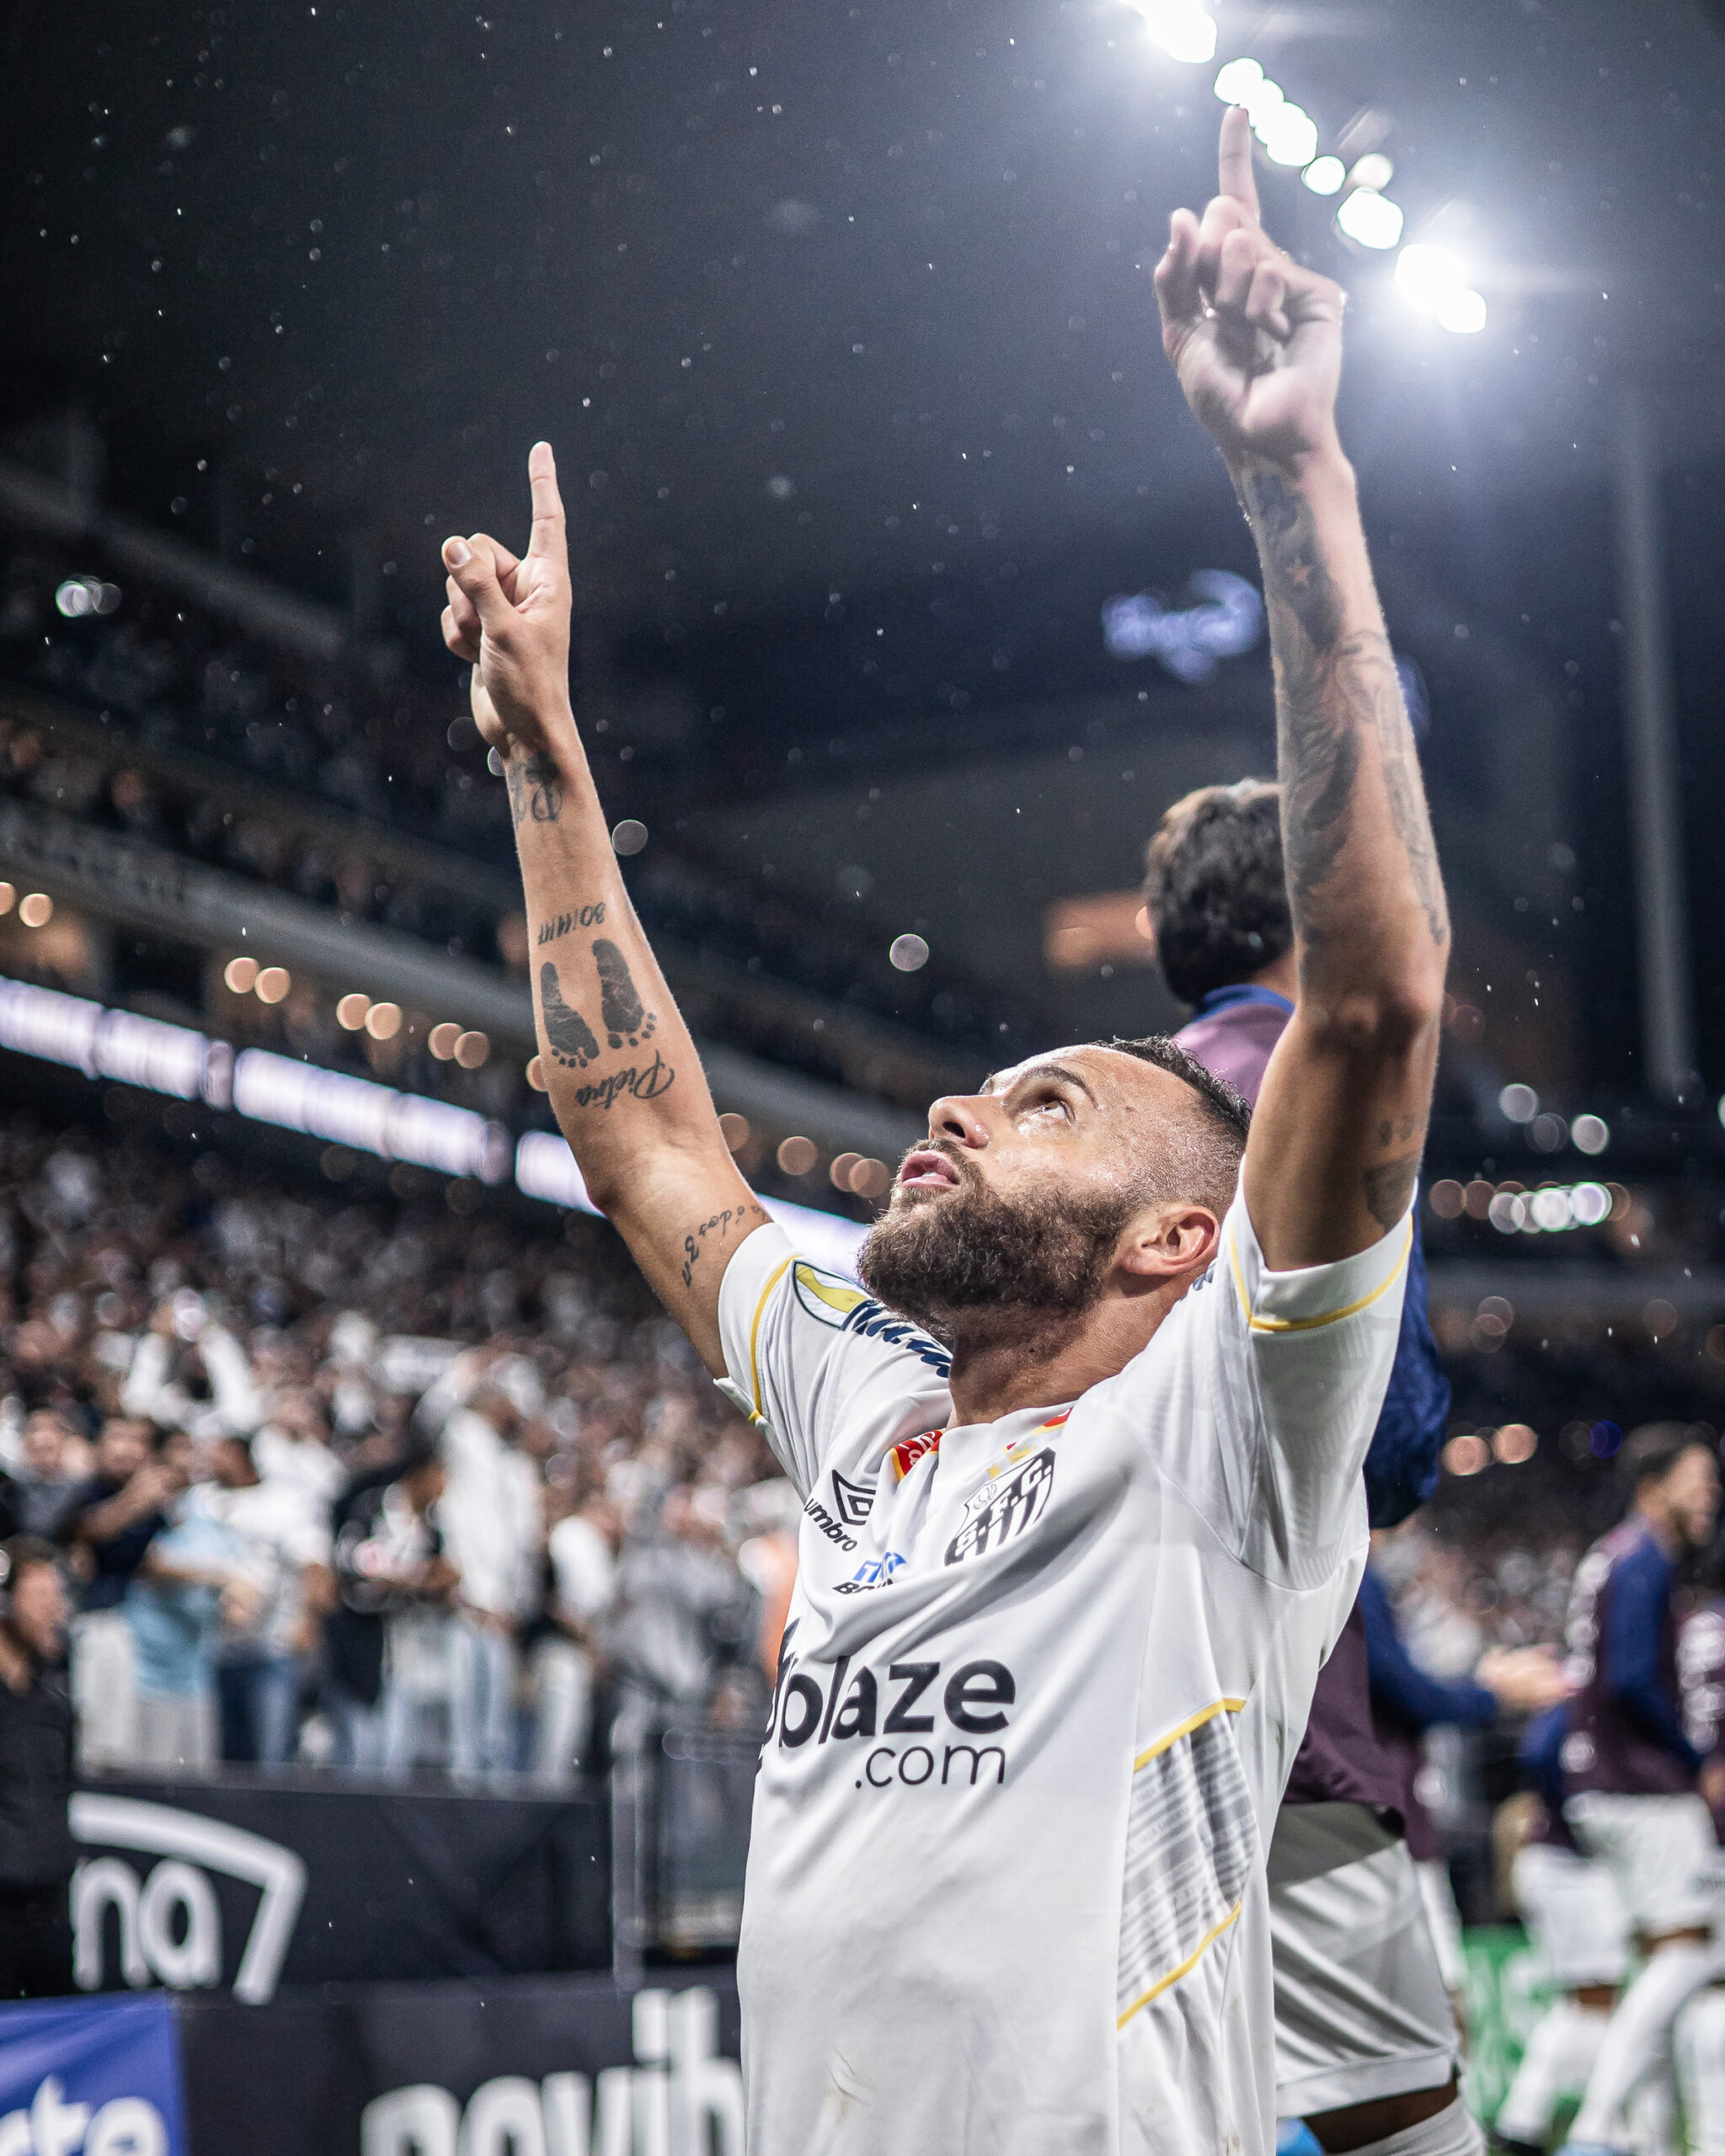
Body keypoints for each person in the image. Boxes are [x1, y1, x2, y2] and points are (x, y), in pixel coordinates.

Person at [435, 104, 1452, 2156]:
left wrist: (1292, 481)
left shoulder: (1225, 1437)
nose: (953, 1105)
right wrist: (546, 756)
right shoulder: (872, 1415)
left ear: (1178, 1241)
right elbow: (643, 1135)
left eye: (1044, 1101)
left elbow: (1371, 997)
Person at [1144, 778, 1474, 2152]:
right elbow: (1390, 1443)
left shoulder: (1112, 1098)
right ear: (1314, 911)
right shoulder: (1324, 1080)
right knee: (1403, 2126)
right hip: (1284, 1708)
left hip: (1099, 1699)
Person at [1557, 1425, 1724, 2156]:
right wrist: (1692, 1755)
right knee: (1692, 1952)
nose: (1710, 1494)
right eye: (1698, 1479)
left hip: (1598, 1778)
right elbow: (1631, 1678)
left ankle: (1644, 2136)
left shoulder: (1611, 1553)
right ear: (1654, 1487)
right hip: (1640, 1784)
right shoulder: (1646, 1558)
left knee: (1658, 1961)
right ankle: (1598, 2128)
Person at [1493, 1709, 1632, 2156]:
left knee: (1588, 2003)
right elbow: (1538, 1753)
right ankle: (1588, 2128)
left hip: (1561, 1865)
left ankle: (1529, 2122)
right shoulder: (1584, 1705)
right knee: (1594, 2000)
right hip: (1567, 1866)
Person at [197, 1433, 333, 1766]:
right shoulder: (202, 1500)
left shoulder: (283, 1502)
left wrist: (308, 1621)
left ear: (238, 1454)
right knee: (225, 1760)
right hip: (216, 1648)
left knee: (271, 1757)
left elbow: (314, 1564)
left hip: (271, 1647)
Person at [323, 1438, 457, 1773]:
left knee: (398, 1749)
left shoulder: (431, 1527)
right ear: (421, 1474)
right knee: (359, 1747)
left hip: (407, 1647)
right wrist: (416, 1577)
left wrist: (437, 1583)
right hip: (362, 1642)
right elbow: (354, 1567)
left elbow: (436, 1582)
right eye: (440, 1475)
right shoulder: (371, 1509)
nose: (444, 1487)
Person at [60, 1416, 173, 1770]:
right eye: (118, 1438)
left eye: (137, 1441)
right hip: (88, 1625)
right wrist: (138, 1499)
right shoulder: (82, 1490)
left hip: (143, 1635)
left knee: (127, 1747)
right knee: (90, 1739)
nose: (127, 1449)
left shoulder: (158, 1507)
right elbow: (88, 1530)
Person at [0, 1538, 76, 1999]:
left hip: (48, 1910)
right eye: (42, 1597)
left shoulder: (54, 1706)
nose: (57, 1611)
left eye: (59, 1597)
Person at [528, 1476, 618, 1787]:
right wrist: (592, 1647)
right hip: (561, 1652)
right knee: (555, 1749)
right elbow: (563, 1607)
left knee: (566, 1749)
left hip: (571, 1653)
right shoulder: (574, 1535)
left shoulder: (586, 1541)